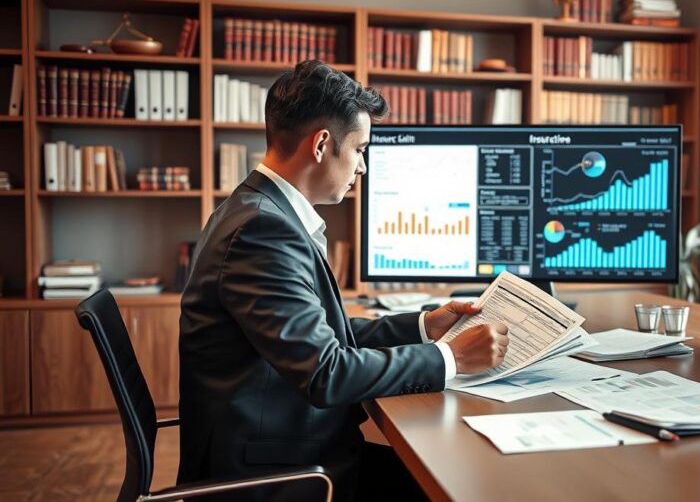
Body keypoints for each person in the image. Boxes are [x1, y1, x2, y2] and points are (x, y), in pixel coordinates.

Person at [178, 60, 509, 501]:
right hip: (277, 471)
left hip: (279, 446)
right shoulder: (264, 230)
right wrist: (452, 358)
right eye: (359, 149)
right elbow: (326, 372)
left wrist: (424, 326)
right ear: (321, 145)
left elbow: (318, 335)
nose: (363, 167)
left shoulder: (255, 209)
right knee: (461, 482)